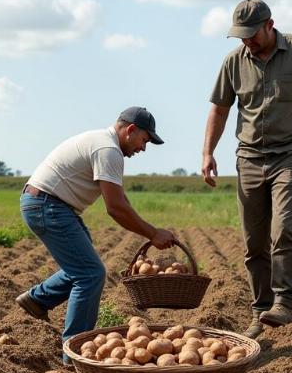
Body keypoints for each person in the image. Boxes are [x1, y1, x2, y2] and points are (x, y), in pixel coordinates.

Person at [201, 0, 292, 338]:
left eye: (252, 34)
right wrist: (207, 152)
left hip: (291, 154)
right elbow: (219, 110)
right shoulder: (233, 62)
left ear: (270, 25)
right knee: (254, 241)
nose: (247, 42)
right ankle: (259, 309)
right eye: (241, 36)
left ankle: (284, 303)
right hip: (249, 157)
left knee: (283, 229)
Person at [16, 106, 176, 359]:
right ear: (130, 130)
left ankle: (37, 300)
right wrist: (153, 233)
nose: (143, 148)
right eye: (144, 140)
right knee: (90, 274)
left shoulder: (104, 144)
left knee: (83, 266)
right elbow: (115, 208)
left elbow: (120, 200)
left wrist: (150, 230)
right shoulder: (108, 150)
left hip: (50, 204)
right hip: (48, 205)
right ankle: (75, 352)